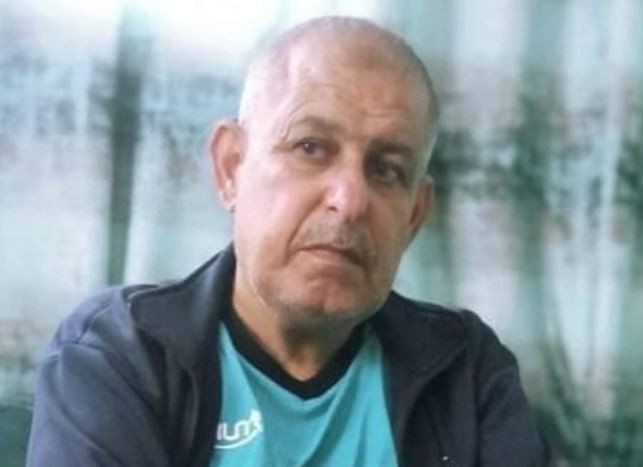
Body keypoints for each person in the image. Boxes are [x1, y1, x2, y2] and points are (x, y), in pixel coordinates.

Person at [27, 16, 550, 467]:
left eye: (387, 169)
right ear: (231, 167)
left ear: (414, 216)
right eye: (310, 147)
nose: (350, 200)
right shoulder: (118, 356)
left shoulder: (465, 371)